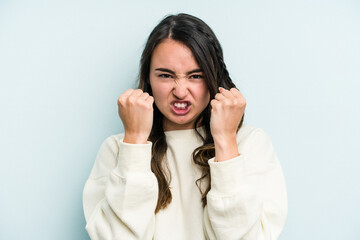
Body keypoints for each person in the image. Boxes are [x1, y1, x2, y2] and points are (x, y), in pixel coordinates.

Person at [82, 13, 288, 240]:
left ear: (213, 78)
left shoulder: (250, 143)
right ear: (148, 78)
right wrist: (135, 140)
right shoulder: (118, 149)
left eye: (195, 76)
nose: (180, 91)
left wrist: (225, 141)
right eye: (166, 75)